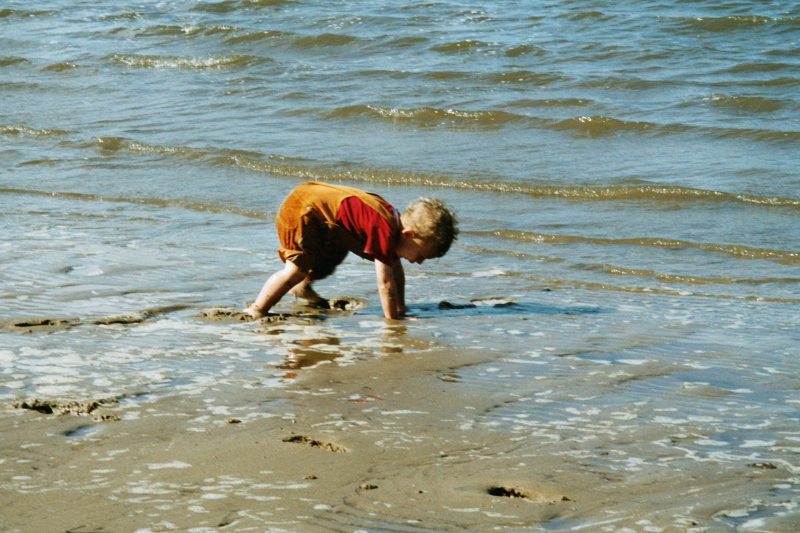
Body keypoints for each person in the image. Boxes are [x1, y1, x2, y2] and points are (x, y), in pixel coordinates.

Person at [244, 181, 458, 320]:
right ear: (409, 235)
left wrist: (401, 307)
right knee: (295, 270)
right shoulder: (383, 228)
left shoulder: (393, 225)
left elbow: (396, 272)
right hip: (302, 210)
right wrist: (393, 321)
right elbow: (385, 283)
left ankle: (303, 288)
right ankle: (258, 308)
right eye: (421, 256)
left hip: (319, 216)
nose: (419, 262)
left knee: (331, 257)